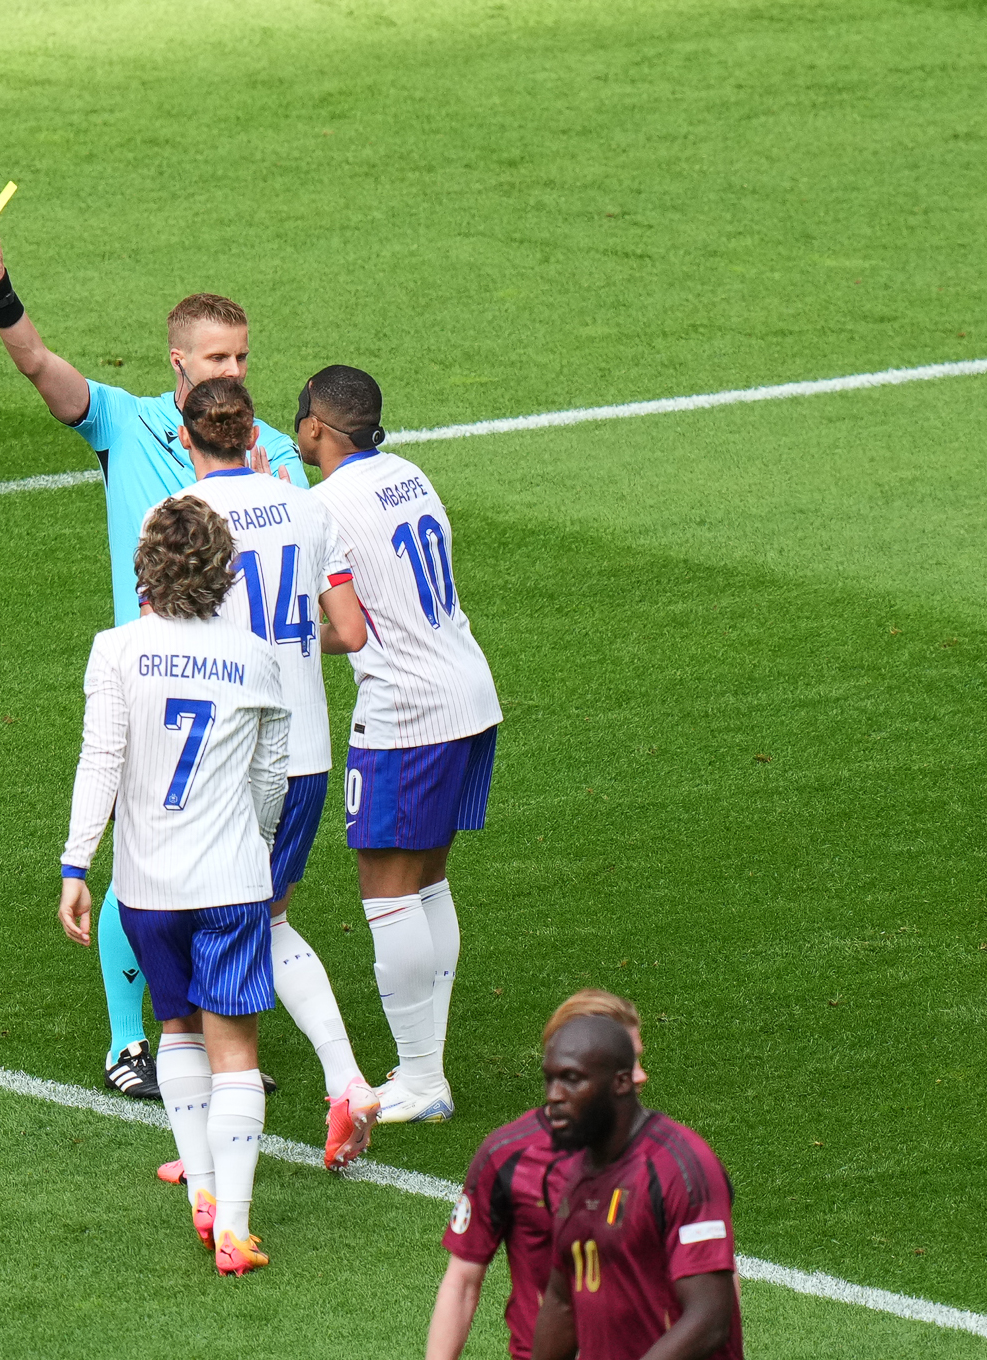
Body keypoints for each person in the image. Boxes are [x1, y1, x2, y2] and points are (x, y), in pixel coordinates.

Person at [0, 212, 308, 1100]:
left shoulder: (270, 453)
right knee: (140, 863)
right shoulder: (125, 422)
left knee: (237, 866)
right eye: (218, 358)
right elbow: (41, 367)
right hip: (151, 677)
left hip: (238, 685)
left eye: (243, 357)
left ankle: (215, 1046)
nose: (234, 372)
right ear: (179, 365)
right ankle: (131, 1043)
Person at [148, 376, 381, 1169]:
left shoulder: (181, 518)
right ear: (254, 438)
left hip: (226, 756)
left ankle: (210, 1135)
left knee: (207, 920)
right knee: (266, 919)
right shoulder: (309, 508)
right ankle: (346, 1080)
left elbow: (164, 644)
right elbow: (347, 630)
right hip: (307, 750)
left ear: (188, 438)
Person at [57, 495, 288, 1275]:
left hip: (148, 889)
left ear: (144, 567)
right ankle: (236, 1227)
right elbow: (270, 778)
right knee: (237, 1056)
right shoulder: (258, 658)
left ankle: (202, 1192)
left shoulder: (114, 650)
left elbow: (102, 760)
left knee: (178, 1031)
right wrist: (253, 847)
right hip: (229, 884)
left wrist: (75, 864)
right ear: (226, 571)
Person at [301, 365, 502, 1123]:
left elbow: (346, 629)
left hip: (406, 713)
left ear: (316, 427)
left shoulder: (322, 510)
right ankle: (426, 1067)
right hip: (468, 693)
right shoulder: (409, 475)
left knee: (388, 893)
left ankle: (421, 1080)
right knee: (427, 884)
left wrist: (286, 638)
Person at [425, 991, 643, 1359]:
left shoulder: (671, 1157)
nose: (641, 1075)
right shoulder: (509, 1154)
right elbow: (462, 1282)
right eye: (629, 1061)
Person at [531, 998, 743, 1360]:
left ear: (620, 1082)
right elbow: (563, 1300)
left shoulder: (680, 1167)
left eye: (571, 1080)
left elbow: (709, 1319)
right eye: (551, 1079)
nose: (554, 1097)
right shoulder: (577, 1173)